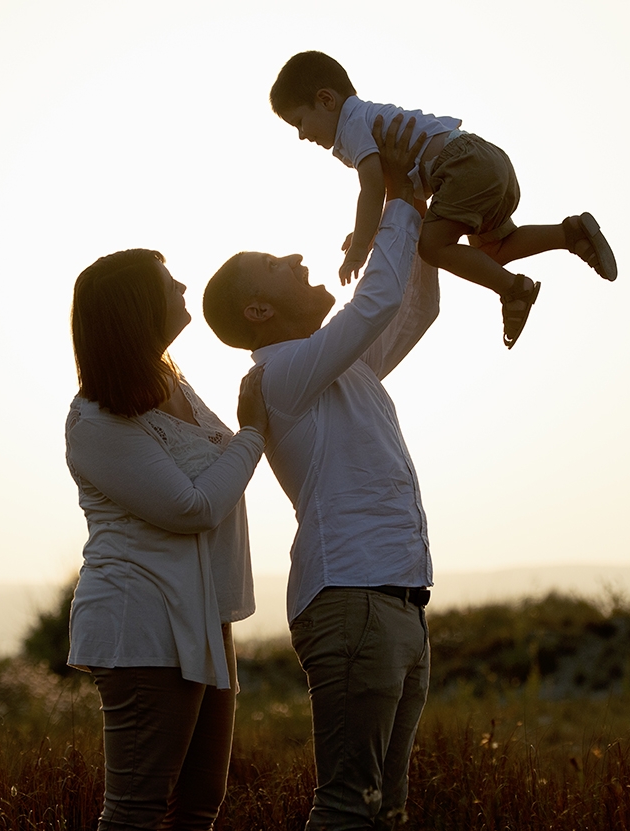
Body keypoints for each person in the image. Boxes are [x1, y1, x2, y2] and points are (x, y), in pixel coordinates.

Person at [203, 114, 435, 829]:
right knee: (345, 806)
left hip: (395, 599)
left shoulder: (337, 366)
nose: (301, 258)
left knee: (382, 808)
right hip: (352, 598)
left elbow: (413, 305)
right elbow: (377, 301)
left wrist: (421, 209)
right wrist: (394, 198)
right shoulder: (280, 374)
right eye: (278, 264)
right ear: (259, 308)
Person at [64, 247, 267, 830]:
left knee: (199, 803)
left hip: (204, 616)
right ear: (136, 305)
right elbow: (191, 507)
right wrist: (252, 431)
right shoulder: (97, 422)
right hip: (142, 623)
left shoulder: (171, 382)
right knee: (136, 813)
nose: (183, 286)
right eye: (167, 281)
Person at [270, 50, 618, 349]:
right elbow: (398, 186)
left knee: (432, 246)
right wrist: (372, 229)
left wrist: (360, 248)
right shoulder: (368, 116)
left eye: (300, 122)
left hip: (461, 167)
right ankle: (570, 234)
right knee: (489, 252)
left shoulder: (352, 126)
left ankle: (515, 289)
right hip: (485, 160)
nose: (302, 135)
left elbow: (373, 187)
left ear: (326, 100)